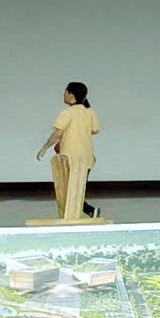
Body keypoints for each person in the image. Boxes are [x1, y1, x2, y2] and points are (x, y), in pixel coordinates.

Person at [34, 81, 100, 218]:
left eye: (65, 91)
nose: (63, 94)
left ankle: (80, 214)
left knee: (69, 191)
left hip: (70, 158)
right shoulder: (90, 112)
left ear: (71, 94)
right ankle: (89, 211)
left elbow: (58, 133)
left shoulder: (67, 113)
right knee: (77, 190)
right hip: (87, 158)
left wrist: (45, 147)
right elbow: (94, 130)